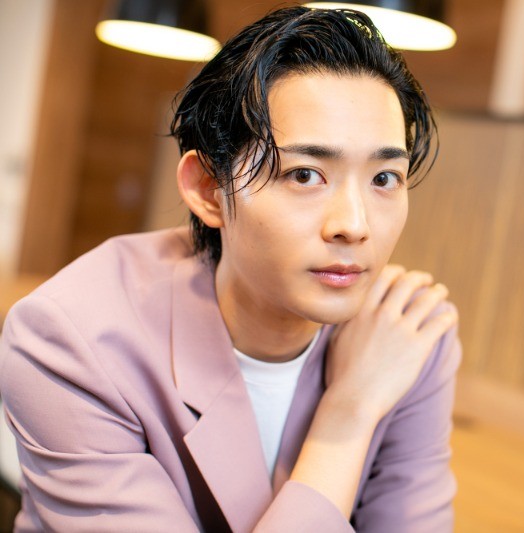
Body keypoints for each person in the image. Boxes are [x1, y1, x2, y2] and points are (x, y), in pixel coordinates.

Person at [0, 6, 461, 532]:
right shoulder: (69, 341)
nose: (354, 226)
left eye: (384, 179)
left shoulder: (405, 332)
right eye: (305, 175)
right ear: (208, 189)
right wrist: (350, 413)